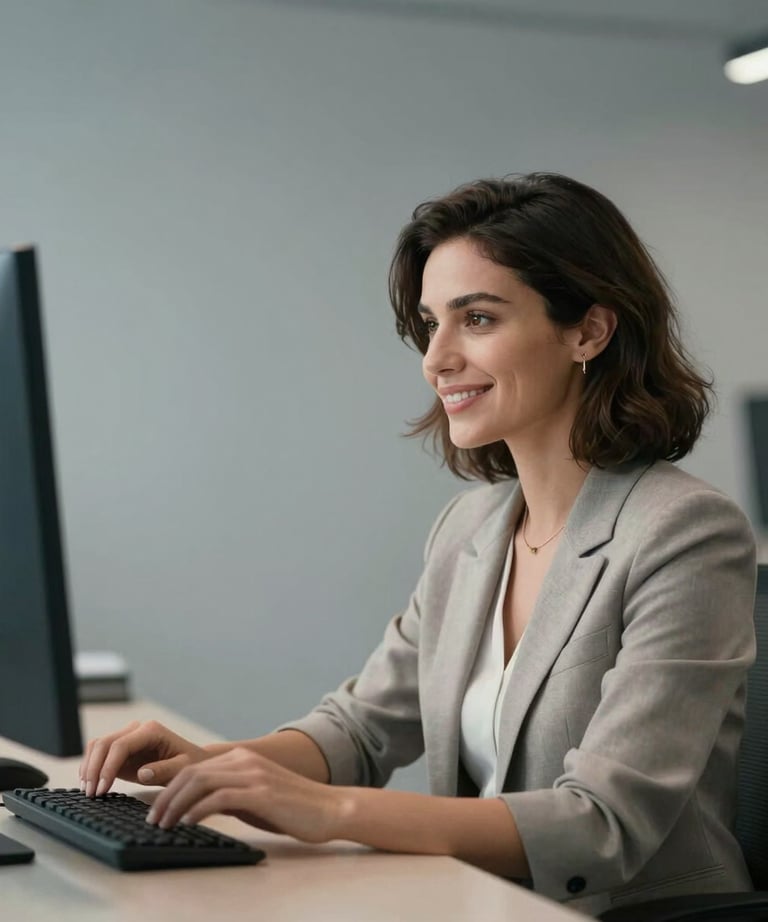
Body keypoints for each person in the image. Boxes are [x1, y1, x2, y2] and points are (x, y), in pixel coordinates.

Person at [81, 173, 756, 917]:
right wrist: (209, 768)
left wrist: (327, 812)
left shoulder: (685, 532)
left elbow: (602, 824)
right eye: (431, 323)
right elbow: (363, 728)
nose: (436, 359)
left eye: (477, 319)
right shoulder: (470, 528)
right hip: (481, 903)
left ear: (588, 332)